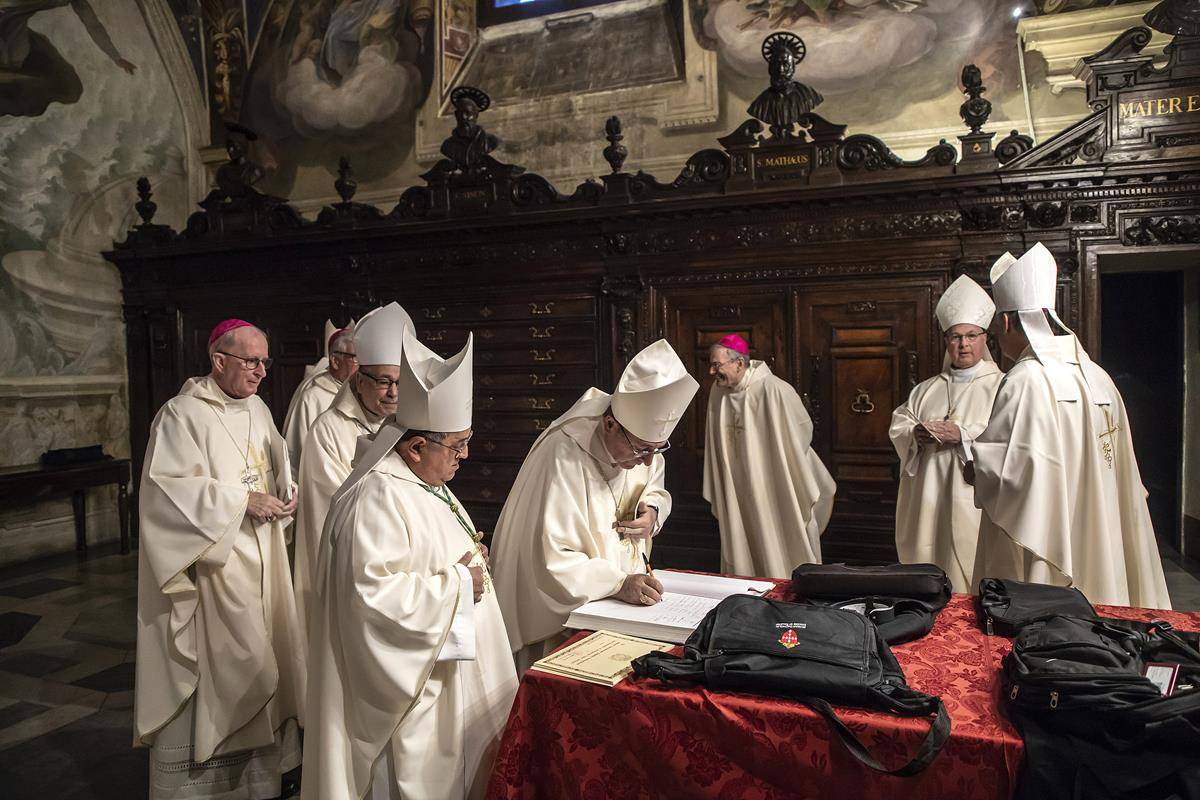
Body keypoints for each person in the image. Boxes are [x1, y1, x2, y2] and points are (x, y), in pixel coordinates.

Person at [303, 329, 517, 800]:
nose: (465, 457)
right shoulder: (377, 496)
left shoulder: (424, 479)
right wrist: (459, 582)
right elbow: (371, 599)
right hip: (417, 696)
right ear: (416, 446)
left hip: (454, 674)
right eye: (457, 447)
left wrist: (466, 561)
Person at [135, 319, 304, 799]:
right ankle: (202, 787)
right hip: (216, 563)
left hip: (264, 555)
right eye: (251, 361)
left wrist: (285, 492)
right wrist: (240, 502)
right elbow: (167, 490)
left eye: (264, 362)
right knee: (230, 662)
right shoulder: (181, 414)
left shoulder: (258, 408)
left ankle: (257, 783)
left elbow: (275, 463)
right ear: (219, 360)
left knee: (267, 656)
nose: (260, 371)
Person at [970, 243, 1171, 608]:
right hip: (1104, 530)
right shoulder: (1099, 376)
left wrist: (975, 467)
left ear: (1003, 322)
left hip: (1054, 537)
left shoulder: (1026, 379)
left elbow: (1011, 475)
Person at [490, 339, 699, 672]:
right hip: (566, 615)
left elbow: (654, 486)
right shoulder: (563, 452)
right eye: (642, 450)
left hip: (623, 606)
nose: (647, 461)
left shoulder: (642, 445)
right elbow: (549, 558)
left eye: (656, 450)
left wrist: (654, 512)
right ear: (610, 424)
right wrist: (616, 583)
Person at [292, 302, 412, 654]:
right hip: (351, 559)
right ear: (359, 380)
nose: (393, 392)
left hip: (396, 552)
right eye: (385, 382)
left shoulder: (403, 424)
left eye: (401, 383)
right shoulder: (328, 429)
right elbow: (334, 503)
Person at [889, 275, 1003, 592]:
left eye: (970, 336)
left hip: (971, 499)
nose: (963, 344)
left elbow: (1007, 439)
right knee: (929, 569)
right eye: (955, 337)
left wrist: (962, 436)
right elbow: (900, 422)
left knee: (971, 574)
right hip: (928, 498)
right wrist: (915, 433)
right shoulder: (927, 389)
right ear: (946, 340)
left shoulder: (1002, 386)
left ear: (985, 339)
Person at [703, 334, 836, 578]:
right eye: (711, 364)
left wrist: (772, 462)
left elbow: (803, 431)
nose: (712, 372)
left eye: (717, 365)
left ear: (739, 363)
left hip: (773, 487)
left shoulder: (774, 390)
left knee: (778, 540)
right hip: (736, 486)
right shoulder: (718, 392)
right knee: (741, 543)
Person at [282, 321, 357, 479]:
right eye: (356, 359)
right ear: (335, 361)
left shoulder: (361, 394)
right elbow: (295, 454)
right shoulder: (313, 398)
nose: (362, 367)